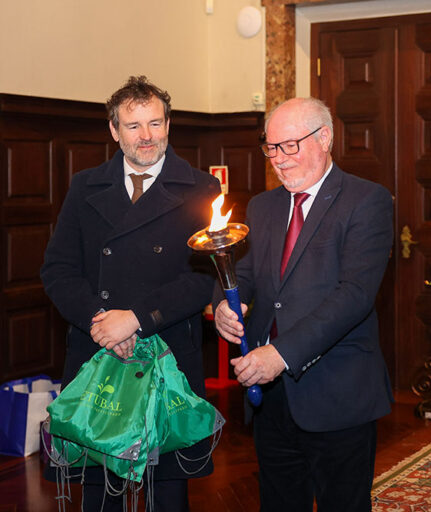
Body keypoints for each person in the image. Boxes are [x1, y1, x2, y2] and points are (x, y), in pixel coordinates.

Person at [40, 76, 221, 511]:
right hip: (98, 353)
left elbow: (202, 279)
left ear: (168, 124)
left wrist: (136, 318)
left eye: (155, 123)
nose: (146, 136)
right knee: (101, 491)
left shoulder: (201, 189)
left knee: (168, 491)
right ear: (114, 130)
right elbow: (58, 269)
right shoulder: (85, 187)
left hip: (168, 354)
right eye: (134, 125)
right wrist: (104, 324)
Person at [213, 97, 393, 511]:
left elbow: (354, 295)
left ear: (325, 137)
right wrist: (225, 305)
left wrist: (282, 353)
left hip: (337, 392)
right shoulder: (262, 206)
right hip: (270, 395)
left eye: (290, 146)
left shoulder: (366, 201)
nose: (279, 159)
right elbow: (244, 273)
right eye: (272, 148)